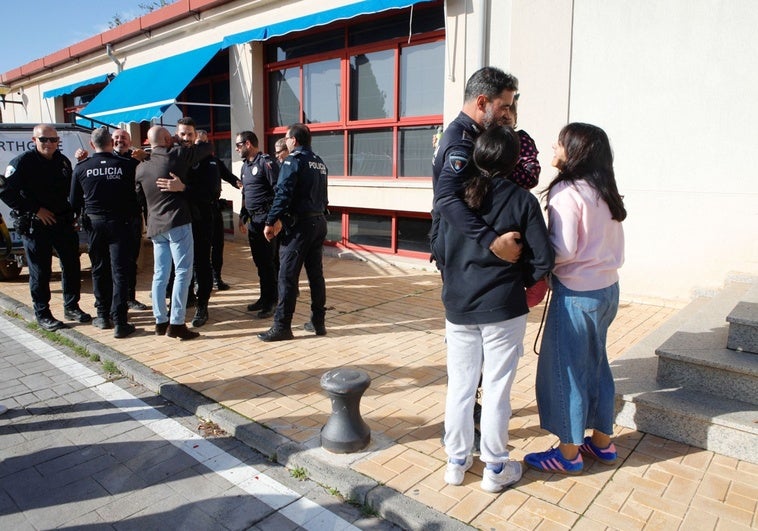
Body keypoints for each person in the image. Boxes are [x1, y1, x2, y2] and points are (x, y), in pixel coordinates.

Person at [434, 125, 554, 491]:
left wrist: (457, 276)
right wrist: (518, 279)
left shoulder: (456, 201)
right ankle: (495, 468)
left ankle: (456, 463)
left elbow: (438, 249)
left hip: (459, 306)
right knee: (498, 388)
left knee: (460, 386)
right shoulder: (522, 200)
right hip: (504, 308)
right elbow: (543, 260)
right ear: (514, 160)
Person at [524, 123, 626, 475]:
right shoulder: (604, 189)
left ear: (575, 152)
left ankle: (568, 455)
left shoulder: (567, 191)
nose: (554, 146)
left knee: (565, 371)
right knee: (597, 365)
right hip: (607, 291)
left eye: (561, 142)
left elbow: (563, 250)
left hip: (576, 295)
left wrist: (534, 255)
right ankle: (602, 443)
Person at [0, 124, 91, 331]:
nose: (49, 143)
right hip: (36, 224)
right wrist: (36, 209)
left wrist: (73, 216)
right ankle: (42, 313)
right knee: (40, 271)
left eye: (53, 140)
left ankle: (71, 306)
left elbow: (70, 191)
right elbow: (5, 192)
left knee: (71, 265)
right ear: (34, 141)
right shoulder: (22, 162)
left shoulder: (62, 161)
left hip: (61, 223)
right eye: (43, 140)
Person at [431, 66, 523, 267]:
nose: (507, 114)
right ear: (482, 102)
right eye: (504, 106)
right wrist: (492, 241)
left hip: (461, 242)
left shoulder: (467, 133)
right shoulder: (462, 143)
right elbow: (445, 198)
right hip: (456, 246)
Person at [135, 126, 211, 340]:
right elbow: (206, 148)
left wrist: (149, 155)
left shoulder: (141, 168)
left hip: (155, 226)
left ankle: (160, 320)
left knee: (160, 275)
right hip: (177, 222)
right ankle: (177, 323)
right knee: (183, 272)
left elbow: (139, 197)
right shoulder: (176, 155)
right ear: (168, 138)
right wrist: (183, 140)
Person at [259, 123, 328, 342]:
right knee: (316, 275)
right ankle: (318, 322)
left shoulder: (292, 160)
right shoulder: (319, 162)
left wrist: (271, 220)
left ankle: (282, 326)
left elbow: (283, 194)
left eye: (287, 138)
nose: (286, 142)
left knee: (287, 276)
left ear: (294, 141)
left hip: (300, 227)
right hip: (318, 222)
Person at [69, 127, 138, 338]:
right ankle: (120, 321)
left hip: (95, 225)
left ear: (92, 145)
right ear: (111, 143)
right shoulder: (127, 165)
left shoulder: (81, 168)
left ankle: (102, 316)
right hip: (121, 224)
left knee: (99, 269)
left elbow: (73, 201)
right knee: (120, 271)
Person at [236, 131, 280, 318]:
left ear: (247, 144)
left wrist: (273, 220)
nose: (236, 148)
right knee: (260, 263)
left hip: (266, 221)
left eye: (238, 145)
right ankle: (264, 297)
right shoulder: (245, 166)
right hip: (253, 221)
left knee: (270, 263)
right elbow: (246, 194)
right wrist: (242, 216)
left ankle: (273, 301)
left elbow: (279, 192)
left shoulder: (266, 163)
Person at [177, 117, 215, 328]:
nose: (186, 138)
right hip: (179, 220)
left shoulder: (207, 160)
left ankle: (202, 306)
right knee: (182, 264)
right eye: (182, 134)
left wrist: (183, 189)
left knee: (202, 264)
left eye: (190, 134)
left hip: (202, 219)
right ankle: (188, 298)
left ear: (195, 136)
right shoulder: (175, 157)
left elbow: (210, 192)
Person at [195, 129, 242, 292]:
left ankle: (217, 278)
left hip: (214, 208)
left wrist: (241, 184)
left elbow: (228, 176)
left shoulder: (215, 161)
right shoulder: (190, 161)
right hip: (197, 211)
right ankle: (198, 280)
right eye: (199, 143)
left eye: (205, 142)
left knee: (218, 245)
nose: (202, 146)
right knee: (201, 247)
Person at [113, 128, 150, 311]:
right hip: (113, 221)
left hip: (134, 217)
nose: (121, 140)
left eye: (124, 138)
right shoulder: (107, 159)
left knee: (132, 260)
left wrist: (145, 156)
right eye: (117, 138)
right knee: (114, 262)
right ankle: (115, 301)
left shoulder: (137, 158)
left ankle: (130, 298)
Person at [504, 95, 541, 190]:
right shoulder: (482, 138)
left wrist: (501, 172)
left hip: (513, 197)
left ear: (515, 118)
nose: (506, 115)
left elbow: (531, 176)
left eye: (506, 121)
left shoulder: (521, 140)